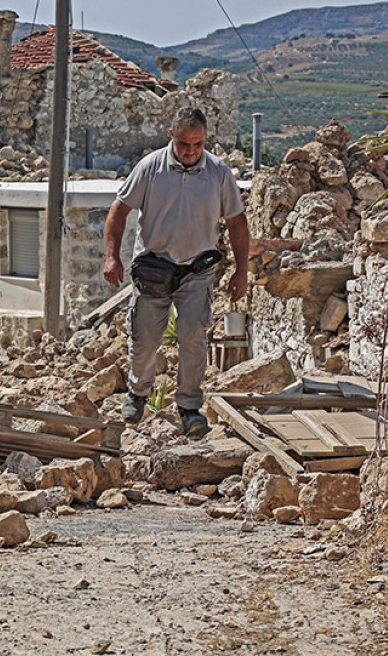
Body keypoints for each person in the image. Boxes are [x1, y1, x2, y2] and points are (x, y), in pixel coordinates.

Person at [102, 106, 250, 436]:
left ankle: (189, 406)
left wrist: (242, 271)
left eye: (198, 144)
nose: (191, 151)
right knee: (144, 339)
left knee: (193, 337)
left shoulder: (218, 173)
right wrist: (112, 257)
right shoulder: (151, 168)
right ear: (172, 135)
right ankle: (138, 393)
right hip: (154, 268)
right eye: (185, 144)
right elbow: (119, 209)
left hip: (196, 271)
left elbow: (237, 222)